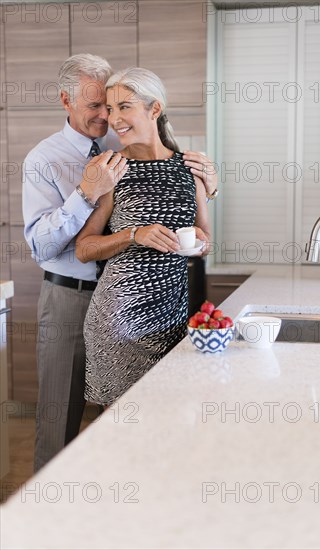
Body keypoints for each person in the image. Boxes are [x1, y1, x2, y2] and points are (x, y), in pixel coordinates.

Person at [22, 54, 218, 472]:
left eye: (113, 106)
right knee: (61, 420)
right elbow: (46, 245)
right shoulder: (48, 159)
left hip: (159, 309)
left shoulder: (126, 147)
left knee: (146, 430)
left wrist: (209, 190)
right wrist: (86, 194)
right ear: (66, 101)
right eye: (98, 106)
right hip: (71, 297)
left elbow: (186, 212)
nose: (107, 117)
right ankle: (47, 519)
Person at [75, 67, 211, 406]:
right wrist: (134, 234)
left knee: (171, 424)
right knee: (122, 431)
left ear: (154, 109)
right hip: (118, 322)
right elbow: (84, 248)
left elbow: (208, 241)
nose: (113, 118)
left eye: (124, 107)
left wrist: (197, 241)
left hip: (173, 321)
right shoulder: (112, 169)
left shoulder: (190, 168)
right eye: (110, 108)